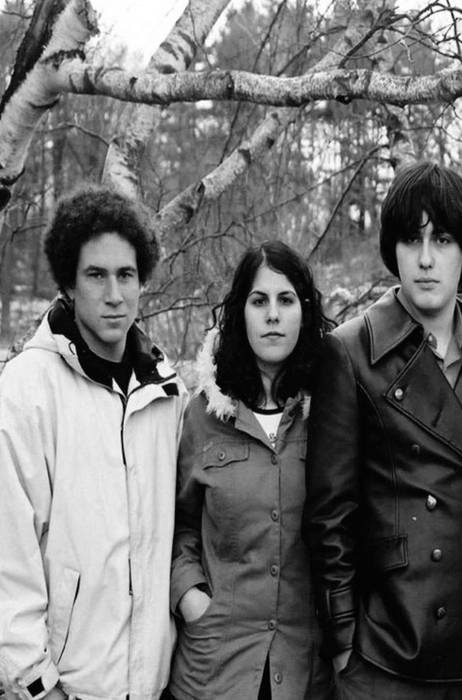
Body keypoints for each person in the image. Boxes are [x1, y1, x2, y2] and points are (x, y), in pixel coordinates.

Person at [303, 161, 462, 699]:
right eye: (410, 239)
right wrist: (343, 639)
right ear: (392, 249)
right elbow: (329, 513)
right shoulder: (350, 352)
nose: (425, 259)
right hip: (387, 654)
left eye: (442, 240)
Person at [0, 185, 187, 700]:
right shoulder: (26, 390)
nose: (114, 294)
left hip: (153, 687)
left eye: (126, 275)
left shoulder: (167, 394)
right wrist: (37, 684)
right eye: (96, 275)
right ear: (68, 282)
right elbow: (8, 558)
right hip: (62, 689)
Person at [167, 241, 335, 700]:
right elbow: (178, 527)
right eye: (259, 301)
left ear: (305, 311)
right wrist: (191, 597)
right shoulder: (203, 414)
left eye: (286, 300)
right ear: (240, 312)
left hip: (304, 669)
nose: (273, 315)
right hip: (215, 667)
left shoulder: (330, 411)